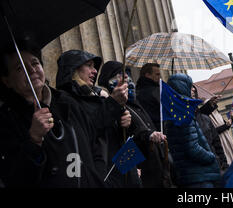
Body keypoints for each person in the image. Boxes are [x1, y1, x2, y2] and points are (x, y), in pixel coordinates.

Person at [0, 41, 104, 187]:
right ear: (7, 81)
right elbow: (16, 178)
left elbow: (95, 144)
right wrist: (34, 140)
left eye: (35, 63)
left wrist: (98, 178)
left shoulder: (67, 101)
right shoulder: (6, 121)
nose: (31, 70)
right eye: (19, 68)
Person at [55, 50, 141, 188]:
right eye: (89, 65)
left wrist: (123, 122)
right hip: (103, 177)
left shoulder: (97, 95)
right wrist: (113, 103)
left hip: (122, 171)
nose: (95, 71)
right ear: (73, 69)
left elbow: (115, 136)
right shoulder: (65, 101)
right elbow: (88, 130)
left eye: (94, 66)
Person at [97, 61, 175, 188]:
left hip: (155, 164)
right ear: (110, 80)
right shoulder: (112, 106)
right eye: (121, 74)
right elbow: (128, 138)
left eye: (127, 73)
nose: (127, 77)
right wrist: (148, 135)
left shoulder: (134, 101)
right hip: (142, 170)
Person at [165, 73, 221, 188]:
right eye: (190, 86)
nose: (193, 90)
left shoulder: (176, 112)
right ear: (182, 88)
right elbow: (192, 148)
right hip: (198, 176)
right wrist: (211, 157)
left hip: (192, 175)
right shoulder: (183, 115)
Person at [192, 85, 229, 175]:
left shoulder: (205, 117)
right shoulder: (186, 120)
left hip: (215, 161)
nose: (193, 91)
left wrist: (223, 162)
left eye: (194, 90)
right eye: (190, 89)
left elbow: (216, 142)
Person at [198, 95, 233, 166]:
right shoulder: (206, 117)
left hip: (227, 138)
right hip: (220, 141)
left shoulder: (218, 114)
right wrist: (226, 126)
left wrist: (231, 118)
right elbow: (214, 131)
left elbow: (227, 126)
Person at [136, 63, 162, 131]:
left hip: (147, 130)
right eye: (157, 74)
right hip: (160, 130)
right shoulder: (157, 91)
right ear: (148, 75)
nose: (160, 77)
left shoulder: (136, 91)